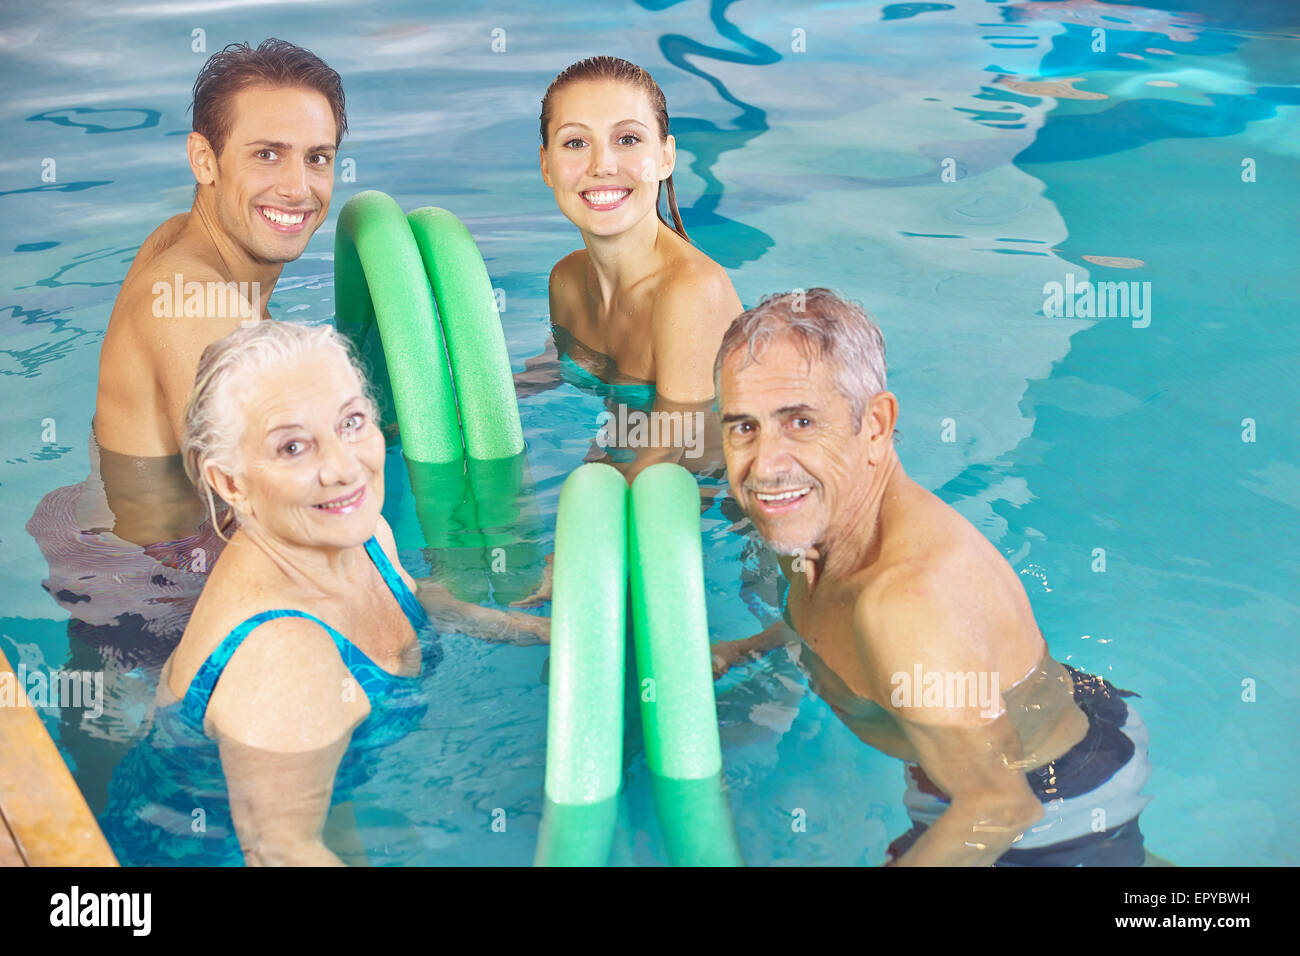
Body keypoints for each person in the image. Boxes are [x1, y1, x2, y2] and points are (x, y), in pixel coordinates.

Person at [710, 288, 1154, 866]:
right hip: (1000, 737)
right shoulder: (812, 517)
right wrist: (745, 649)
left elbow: (999, 809)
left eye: (800, 421)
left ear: (874, 424)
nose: (765, 466)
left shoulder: (905, 607)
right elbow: (825, 619)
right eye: (743, 427)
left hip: (1056, 802)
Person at [103, 322, 547, 866]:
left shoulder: (360, 534)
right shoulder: (284, 658)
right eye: (292, 446)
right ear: (231, 484)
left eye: (352, 422)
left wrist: (536, 631)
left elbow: (411, 598)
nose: (343, 468)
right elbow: (282, 852)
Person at [519, 55, 742, 478]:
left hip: (719, 497)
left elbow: (673, 448)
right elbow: (561, 365)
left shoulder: (691, 291)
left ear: (666, 156)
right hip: (625, 444)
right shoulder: (565, 280)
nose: (602, 165)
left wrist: (575, 542)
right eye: (575, 143)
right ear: (546, 165)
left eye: (627, 139)